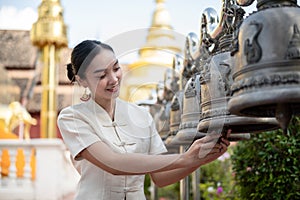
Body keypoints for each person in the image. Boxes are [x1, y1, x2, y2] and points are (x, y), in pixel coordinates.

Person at [57, 40, 230, 200]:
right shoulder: (72, 118)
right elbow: (114, 163)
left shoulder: (141, 114)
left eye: (116, 68)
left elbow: (160, 178)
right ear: (82, 80)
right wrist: (185, 157)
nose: (113, 79)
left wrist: (200, 159)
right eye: (102, 76)